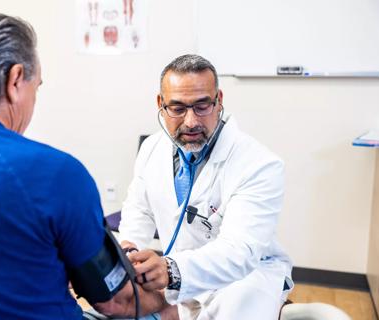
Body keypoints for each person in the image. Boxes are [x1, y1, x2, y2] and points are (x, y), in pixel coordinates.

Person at [0, 12, 166, 320]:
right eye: (36, 86)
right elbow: (116, 301)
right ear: (14, 81)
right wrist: (168, 303)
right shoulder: (55, 174)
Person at [118, 54, 293, 319]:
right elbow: (138, 212)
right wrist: (130, 251)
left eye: (202, 106)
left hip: (246, 277)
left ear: (218, 100)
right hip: (178, 276)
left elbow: (239, 252)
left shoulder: (259, 164)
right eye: (177, 108)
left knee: (237, 306)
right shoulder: (152, 148)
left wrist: (171, 270)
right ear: (160, 104)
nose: (190, 122)